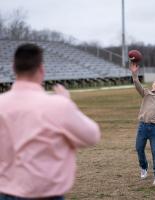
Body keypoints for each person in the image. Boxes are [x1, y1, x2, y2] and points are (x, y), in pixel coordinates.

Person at [0, 43, 101, 199]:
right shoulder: (58, 105)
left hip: (6, 192)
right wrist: (67, 103)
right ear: (41, 69)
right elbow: (92, 136)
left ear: (13, 68)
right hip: (47, 194)